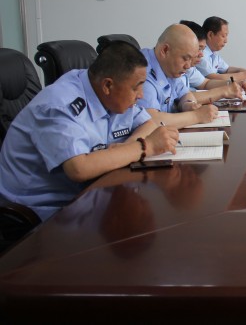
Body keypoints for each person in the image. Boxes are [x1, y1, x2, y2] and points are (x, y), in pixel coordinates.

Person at [0, 42, 179, 221]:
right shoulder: (59, 105)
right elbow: (79, 169)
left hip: (88, 195)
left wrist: (128, 146)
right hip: (42, 212)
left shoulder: (112, 93)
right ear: (107, 85)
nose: (141, 95)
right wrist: (144, 147)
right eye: (136, 87)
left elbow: (148, 123)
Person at [138, 24, 219, 128]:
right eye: (185, 58)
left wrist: (189, 104)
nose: (188, 66)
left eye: (191, 59)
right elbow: (151, 121)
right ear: (165, 50)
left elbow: (185, 93)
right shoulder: (141, 70)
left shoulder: (168, 67)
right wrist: (197, 116)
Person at [179, 20, 246, 99]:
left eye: (202, 49)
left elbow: (205, 83)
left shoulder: (189, 68)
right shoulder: (172, 73)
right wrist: (222, 92)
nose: (201, 54)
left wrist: (234, 83)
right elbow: (182, 98)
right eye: (199, 48)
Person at [196, 16, 246, 82]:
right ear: (210, 35)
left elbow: (226, 70)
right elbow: (212, 78)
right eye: (223, 36)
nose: (226, 41)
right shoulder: (200, 54)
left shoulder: (213, 53)